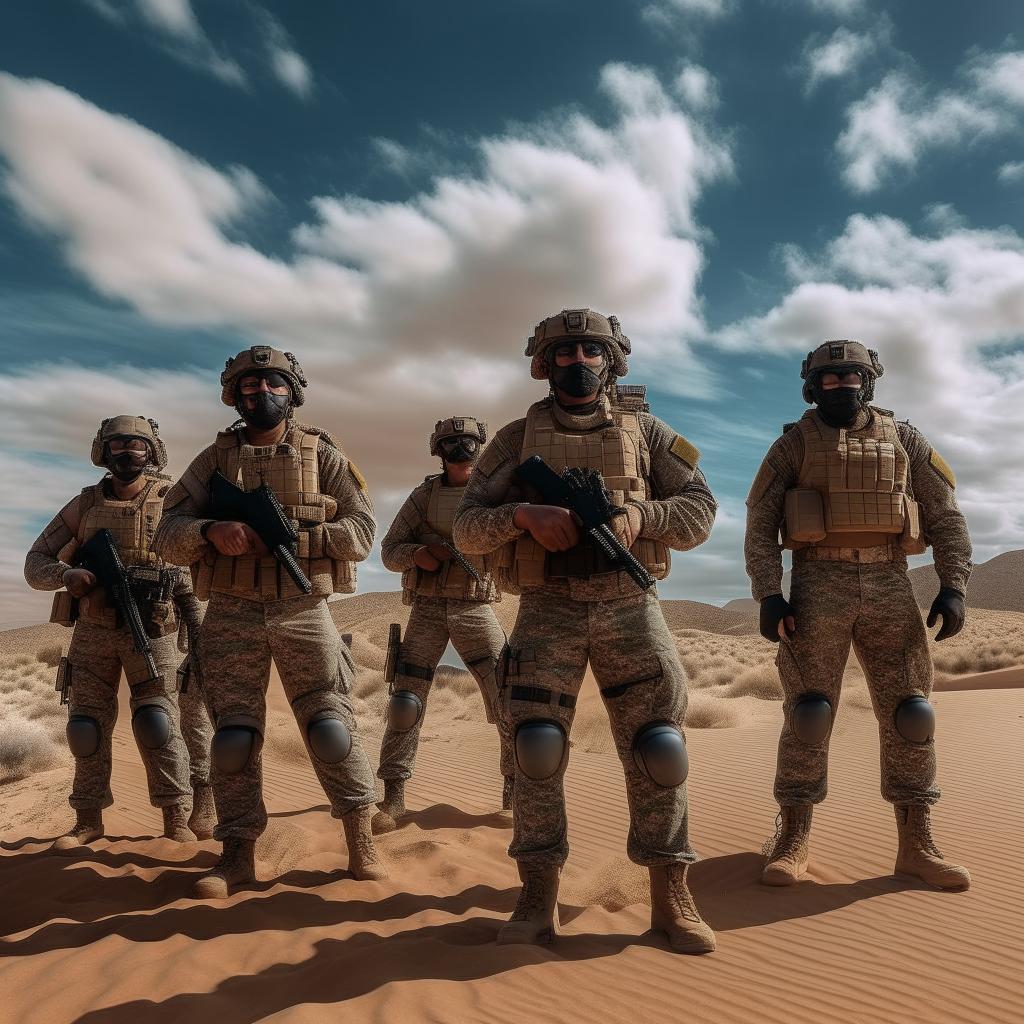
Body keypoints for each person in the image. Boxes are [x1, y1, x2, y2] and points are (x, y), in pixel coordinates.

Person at [453, 308, 718, 954]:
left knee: (661, 749)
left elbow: (701, 509)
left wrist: (638, 517)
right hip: (547, 607)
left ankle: (670, 895)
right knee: (536, 748)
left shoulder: (647, 431)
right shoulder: (515, 439)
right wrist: (523, 514)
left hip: (630, 603)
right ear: (544, 363)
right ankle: (538, 895)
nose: (579, 362)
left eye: (591, 351)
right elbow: (465, 528)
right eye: (565, 352)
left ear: (613, 360)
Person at [152, 345, 387, 896]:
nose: (262, 394)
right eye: (250, 386)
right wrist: (211, 532)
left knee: (330, 728)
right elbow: (166, 533)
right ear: (234, 395)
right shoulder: (214, 460)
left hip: (303, 608)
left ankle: (362, 841)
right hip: (230, 611)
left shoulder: (322, 453)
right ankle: (236, 855)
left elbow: (362, 531)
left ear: (293, 391)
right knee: (233, 736)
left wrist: (293, 539)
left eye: (274, 384)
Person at [745, 340, 971, 891]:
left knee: (911, 715)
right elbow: (759, 522)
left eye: (851, 376)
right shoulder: (792, 444)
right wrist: (768, 593)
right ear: (811, 385)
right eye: (829, 379)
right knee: (809, 712)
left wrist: (953, 585)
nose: (841, 386)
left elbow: (944, 513)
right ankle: (793, 838)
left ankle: (917, 843)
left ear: (869, 381)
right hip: (818, 584)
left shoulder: (905, 439)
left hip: (891, 581)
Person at [25, 415, 213, 848]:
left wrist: (200, 635)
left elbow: (195, 570)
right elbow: (35, 563)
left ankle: (176, 818)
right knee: (85, 726)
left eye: (137, 444)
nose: (128, 452)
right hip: (93, 630)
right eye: (118, 445)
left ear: (153, 451)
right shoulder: (84, 505)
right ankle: (87, 819)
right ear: (103, 452)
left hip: (155, 630)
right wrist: (67, 573)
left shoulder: (173, 499)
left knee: (157, 723)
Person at [374, 416, 513, 832]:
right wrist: (419, 554)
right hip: (428, 609)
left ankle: (516, 787)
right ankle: (393, 793)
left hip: (475, 608)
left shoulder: (495, 494)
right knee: (405, 703)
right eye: (453, 442)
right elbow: (389, 550)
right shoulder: (424, 496)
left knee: (507, 698)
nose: (461, 448)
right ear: (439, 449)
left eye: (469, 441)